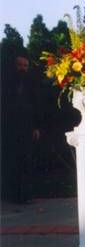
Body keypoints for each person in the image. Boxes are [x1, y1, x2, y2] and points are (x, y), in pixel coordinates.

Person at [1, 55, 41, 203]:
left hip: (27, 128)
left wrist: (36, 126)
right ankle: (11, 195)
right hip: (8, 128)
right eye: (20, 65)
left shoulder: (31, 84)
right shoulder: (5, 83)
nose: (23, 68)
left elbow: (36, 106)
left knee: (26, 161)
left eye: (25, 66)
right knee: (11, 162)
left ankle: (26, 195)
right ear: (14, 66)